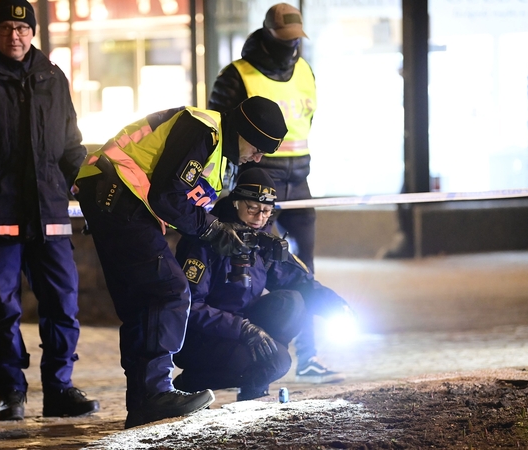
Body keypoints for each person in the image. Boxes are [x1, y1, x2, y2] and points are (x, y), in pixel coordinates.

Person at [73, 96, 287, 428]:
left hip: (112, 197)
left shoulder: (215, 155)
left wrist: (223, 231)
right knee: (171, 290)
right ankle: (156, 392)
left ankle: (143, 402)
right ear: (243, 130)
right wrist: (213, 229)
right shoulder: (203, 129)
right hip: (118, 194)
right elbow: (166, 196)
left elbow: (181, 203)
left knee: (140, 305)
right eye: (257, 147)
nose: (256, 157)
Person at [0, 0, 99, 421]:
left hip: (49, 212)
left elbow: (70, 144)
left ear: (33, 32)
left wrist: (88, 185)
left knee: (63, 304)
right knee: (4, 309)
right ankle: (11, 391)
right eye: (8, 27)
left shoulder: (52, 76)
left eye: (23, 27)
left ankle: (59, 388)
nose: (16, 35)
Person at [207, 2, 339, 383]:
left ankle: (310, 356)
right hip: (258, 183)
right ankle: (252, 353)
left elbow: (308, 121)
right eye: (285, 39)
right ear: (267, 36)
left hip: (300, 180)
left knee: (303, 268)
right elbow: (222, 130)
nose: (291, 46)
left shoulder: (305, 70)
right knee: (257, 266)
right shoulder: (237, 74)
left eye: (296, 39)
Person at [172, 168, 354, 400]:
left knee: (291, 302)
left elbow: (299, 282)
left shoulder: (263, 241)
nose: (259, 217)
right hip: (199, 337)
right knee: (267, 362)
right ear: (236, 202)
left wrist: (336, 306)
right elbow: (189, 307)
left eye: (266, 211)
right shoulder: (208, 239)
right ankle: (190, 383)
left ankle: (253, 389)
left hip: (240, 328)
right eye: (253, 209)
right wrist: (243, 328)